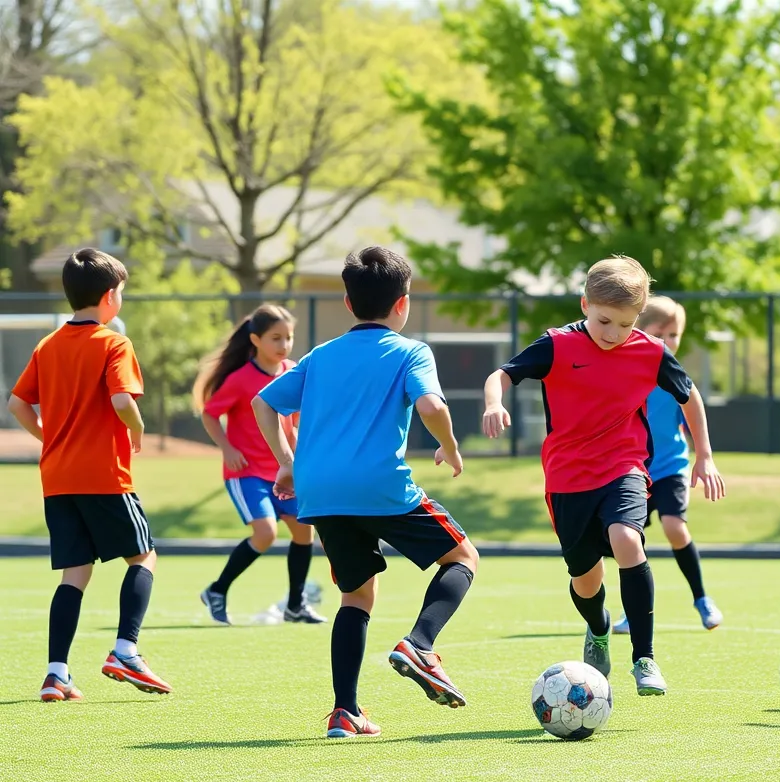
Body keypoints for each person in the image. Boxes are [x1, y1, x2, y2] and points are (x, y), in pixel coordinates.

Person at [253, 245, 478, 739]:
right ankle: (420, 644)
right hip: (378, 486)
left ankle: (345, 712)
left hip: (320, 492)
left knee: (355, 595)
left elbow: (262, 403)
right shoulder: (411, 351)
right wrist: (450, 446)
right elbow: (432, 406)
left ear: (350, 305)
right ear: (403, 303)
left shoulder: (320, 356)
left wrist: (286, 464)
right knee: (462, 556)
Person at [483, 256, 726, 696]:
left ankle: (644, 658)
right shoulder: (556, 345)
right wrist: (493, 402)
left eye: (626, 324)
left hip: (624, 466)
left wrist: (704, 456)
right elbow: (501, 374)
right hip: (566, 478)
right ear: (585, 304)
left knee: (628, 539)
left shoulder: (652, 352)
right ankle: (598, 629)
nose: (614, 334)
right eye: (604, 321)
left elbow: (690, 398)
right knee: (586, 577)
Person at [6, 248, 172, 702]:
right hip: (104, 475)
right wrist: (137, 431)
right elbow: (122, 401)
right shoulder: (114, 343)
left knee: (74, 575)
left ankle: (56, 673)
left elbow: (17, 404)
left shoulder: (49, 344)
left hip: (57, 478)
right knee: (144, 557)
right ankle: (125, 650)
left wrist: (48, 438)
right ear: (111, 296)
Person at [195, 304, 322, 625]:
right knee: (265, 532)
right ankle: (217, 590)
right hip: (248, 472)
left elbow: (292, 422)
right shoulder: (240, 379)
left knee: (304, 530)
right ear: (255, 339)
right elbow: (210, 413)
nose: (284, 345)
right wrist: (226, 447)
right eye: (276, 338)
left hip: (286, 469)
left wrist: (299, 456)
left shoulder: (293, 371)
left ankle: (296, 605)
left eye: (289, 337)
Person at [612, 296, 722, 635]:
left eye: (675, 335)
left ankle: (702, 599)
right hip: (633, 471)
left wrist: (704, 457)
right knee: (629, 541)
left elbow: (690, 418)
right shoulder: (623, 375)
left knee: (675, 527)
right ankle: (635, 611)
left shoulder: (674, 376)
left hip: (671, 468)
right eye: (662, 333)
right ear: (639, 331)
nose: (670, 342)